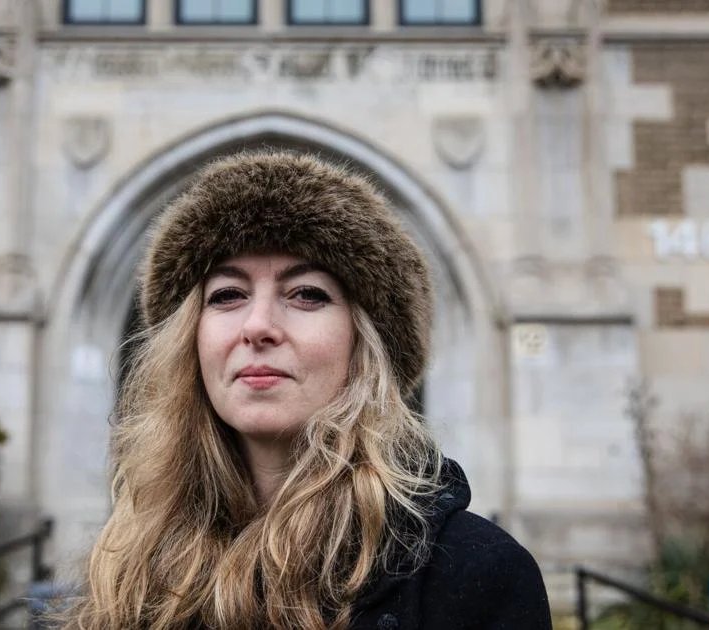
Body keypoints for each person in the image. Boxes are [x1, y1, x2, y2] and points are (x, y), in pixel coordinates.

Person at [61, 151, 551, 629]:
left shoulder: (479, 573)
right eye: (227, 295)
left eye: (307, 294)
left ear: (367, 343)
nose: (258, 326)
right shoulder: (126, 571)